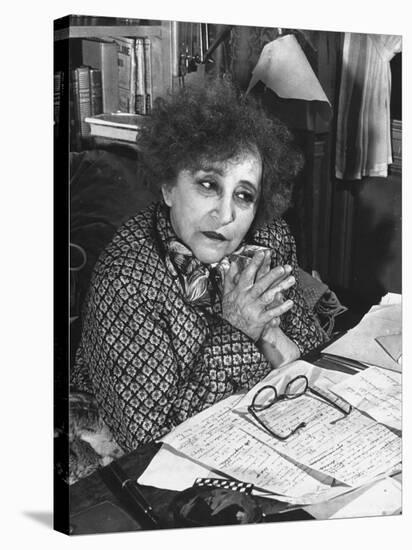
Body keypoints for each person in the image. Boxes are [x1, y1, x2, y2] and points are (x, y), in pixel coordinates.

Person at [71, 79, 327, 453]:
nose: (225, 215)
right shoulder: (127, 279)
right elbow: (147, 441)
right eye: (208, 184)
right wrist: (240, 331)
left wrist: (270, 335)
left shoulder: (268, 242)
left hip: (257, 427)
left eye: (243, 195)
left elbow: (314, 352)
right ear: (168, 188)